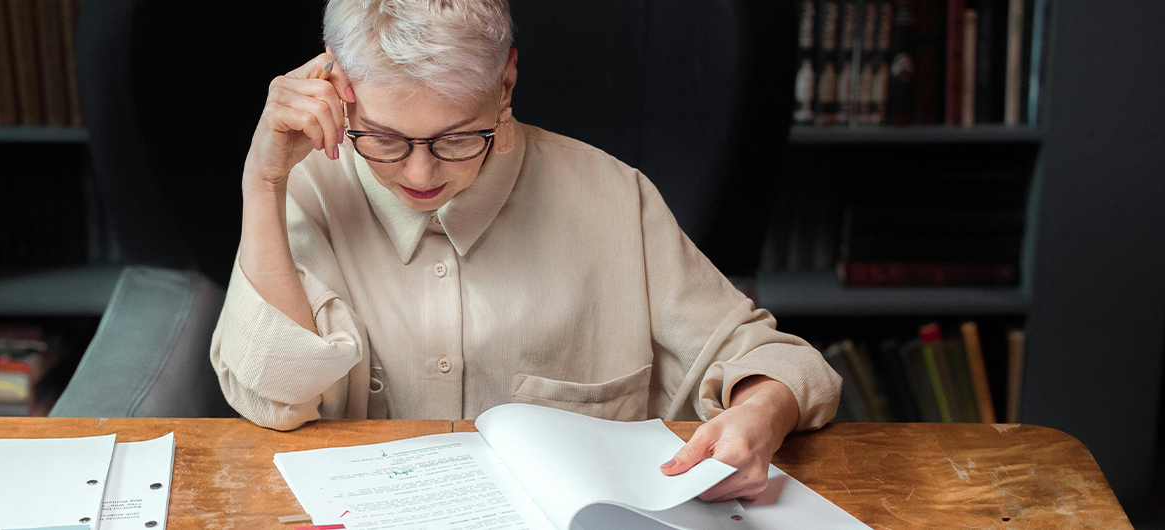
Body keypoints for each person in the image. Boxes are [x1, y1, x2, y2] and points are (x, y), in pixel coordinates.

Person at [209, 0, 841, 502]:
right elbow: (272, 399)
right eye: (384, 139)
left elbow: (778, 360)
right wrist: (261, 183)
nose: (420, 172)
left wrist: (760, 414)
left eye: (458, 138)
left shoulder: (613, 198)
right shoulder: (307, 188)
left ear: (505, 83)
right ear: (339, 90)